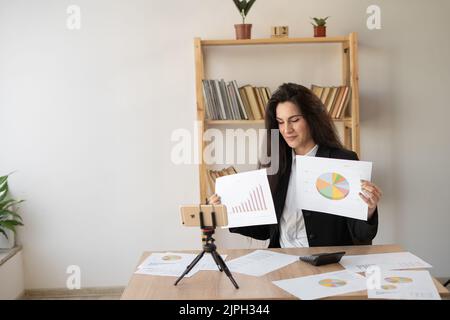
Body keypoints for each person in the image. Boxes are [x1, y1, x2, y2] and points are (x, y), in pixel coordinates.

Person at [209, 83, 382, 248]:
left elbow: (361, 234)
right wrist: (227, 214)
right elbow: (264, 230)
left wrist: (368, 211)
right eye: (281, 122)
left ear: (312, 119)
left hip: (327, 265)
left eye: (294, 120)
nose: (287, 129)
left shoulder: (343, 161)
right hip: (282, 260)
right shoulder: (274, 164)